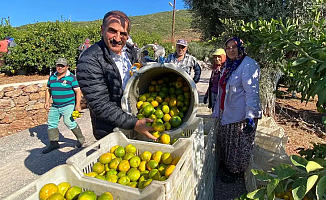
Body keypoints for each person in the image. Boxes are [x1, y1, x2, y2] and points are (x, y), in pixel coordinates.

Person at [76, 10, 156, 140]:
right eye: (112, 31)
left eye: (123, 33)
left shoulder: (129, 53)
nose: (118, 38)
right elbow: (100, 104)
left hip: (136, 121)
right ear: (102, 29)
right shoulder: (90, 59)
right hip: (111, 130)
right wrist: (134, 123)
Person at [212, 37, 262, 183]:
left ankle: (236, 173)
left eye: (234, 47)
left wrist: (250, 116)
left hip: (241, 114)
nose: (231, 50)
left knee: (238, 146)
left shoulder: (248, 65)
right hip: (227, 110)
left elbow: (252, 92)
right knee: (228, 143)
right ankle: (228, 168)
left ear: (240, 47)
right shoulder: (229, 65)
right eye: (227, 48)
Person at [43, 58, 85, 154]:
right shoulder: (52, 77)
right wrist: (47, 101)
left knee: (68, 122)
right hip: (55, 105)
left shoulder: (71, 77)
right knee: (51, 122)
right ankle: (54, 143)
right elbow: (48, 89)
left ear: (66, 67)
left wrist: (78, 105)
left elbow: (78, 91)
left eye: (62, 66)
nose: (60, 67)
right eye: (58, 65)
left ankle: (80, 138)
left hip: (68, 104)